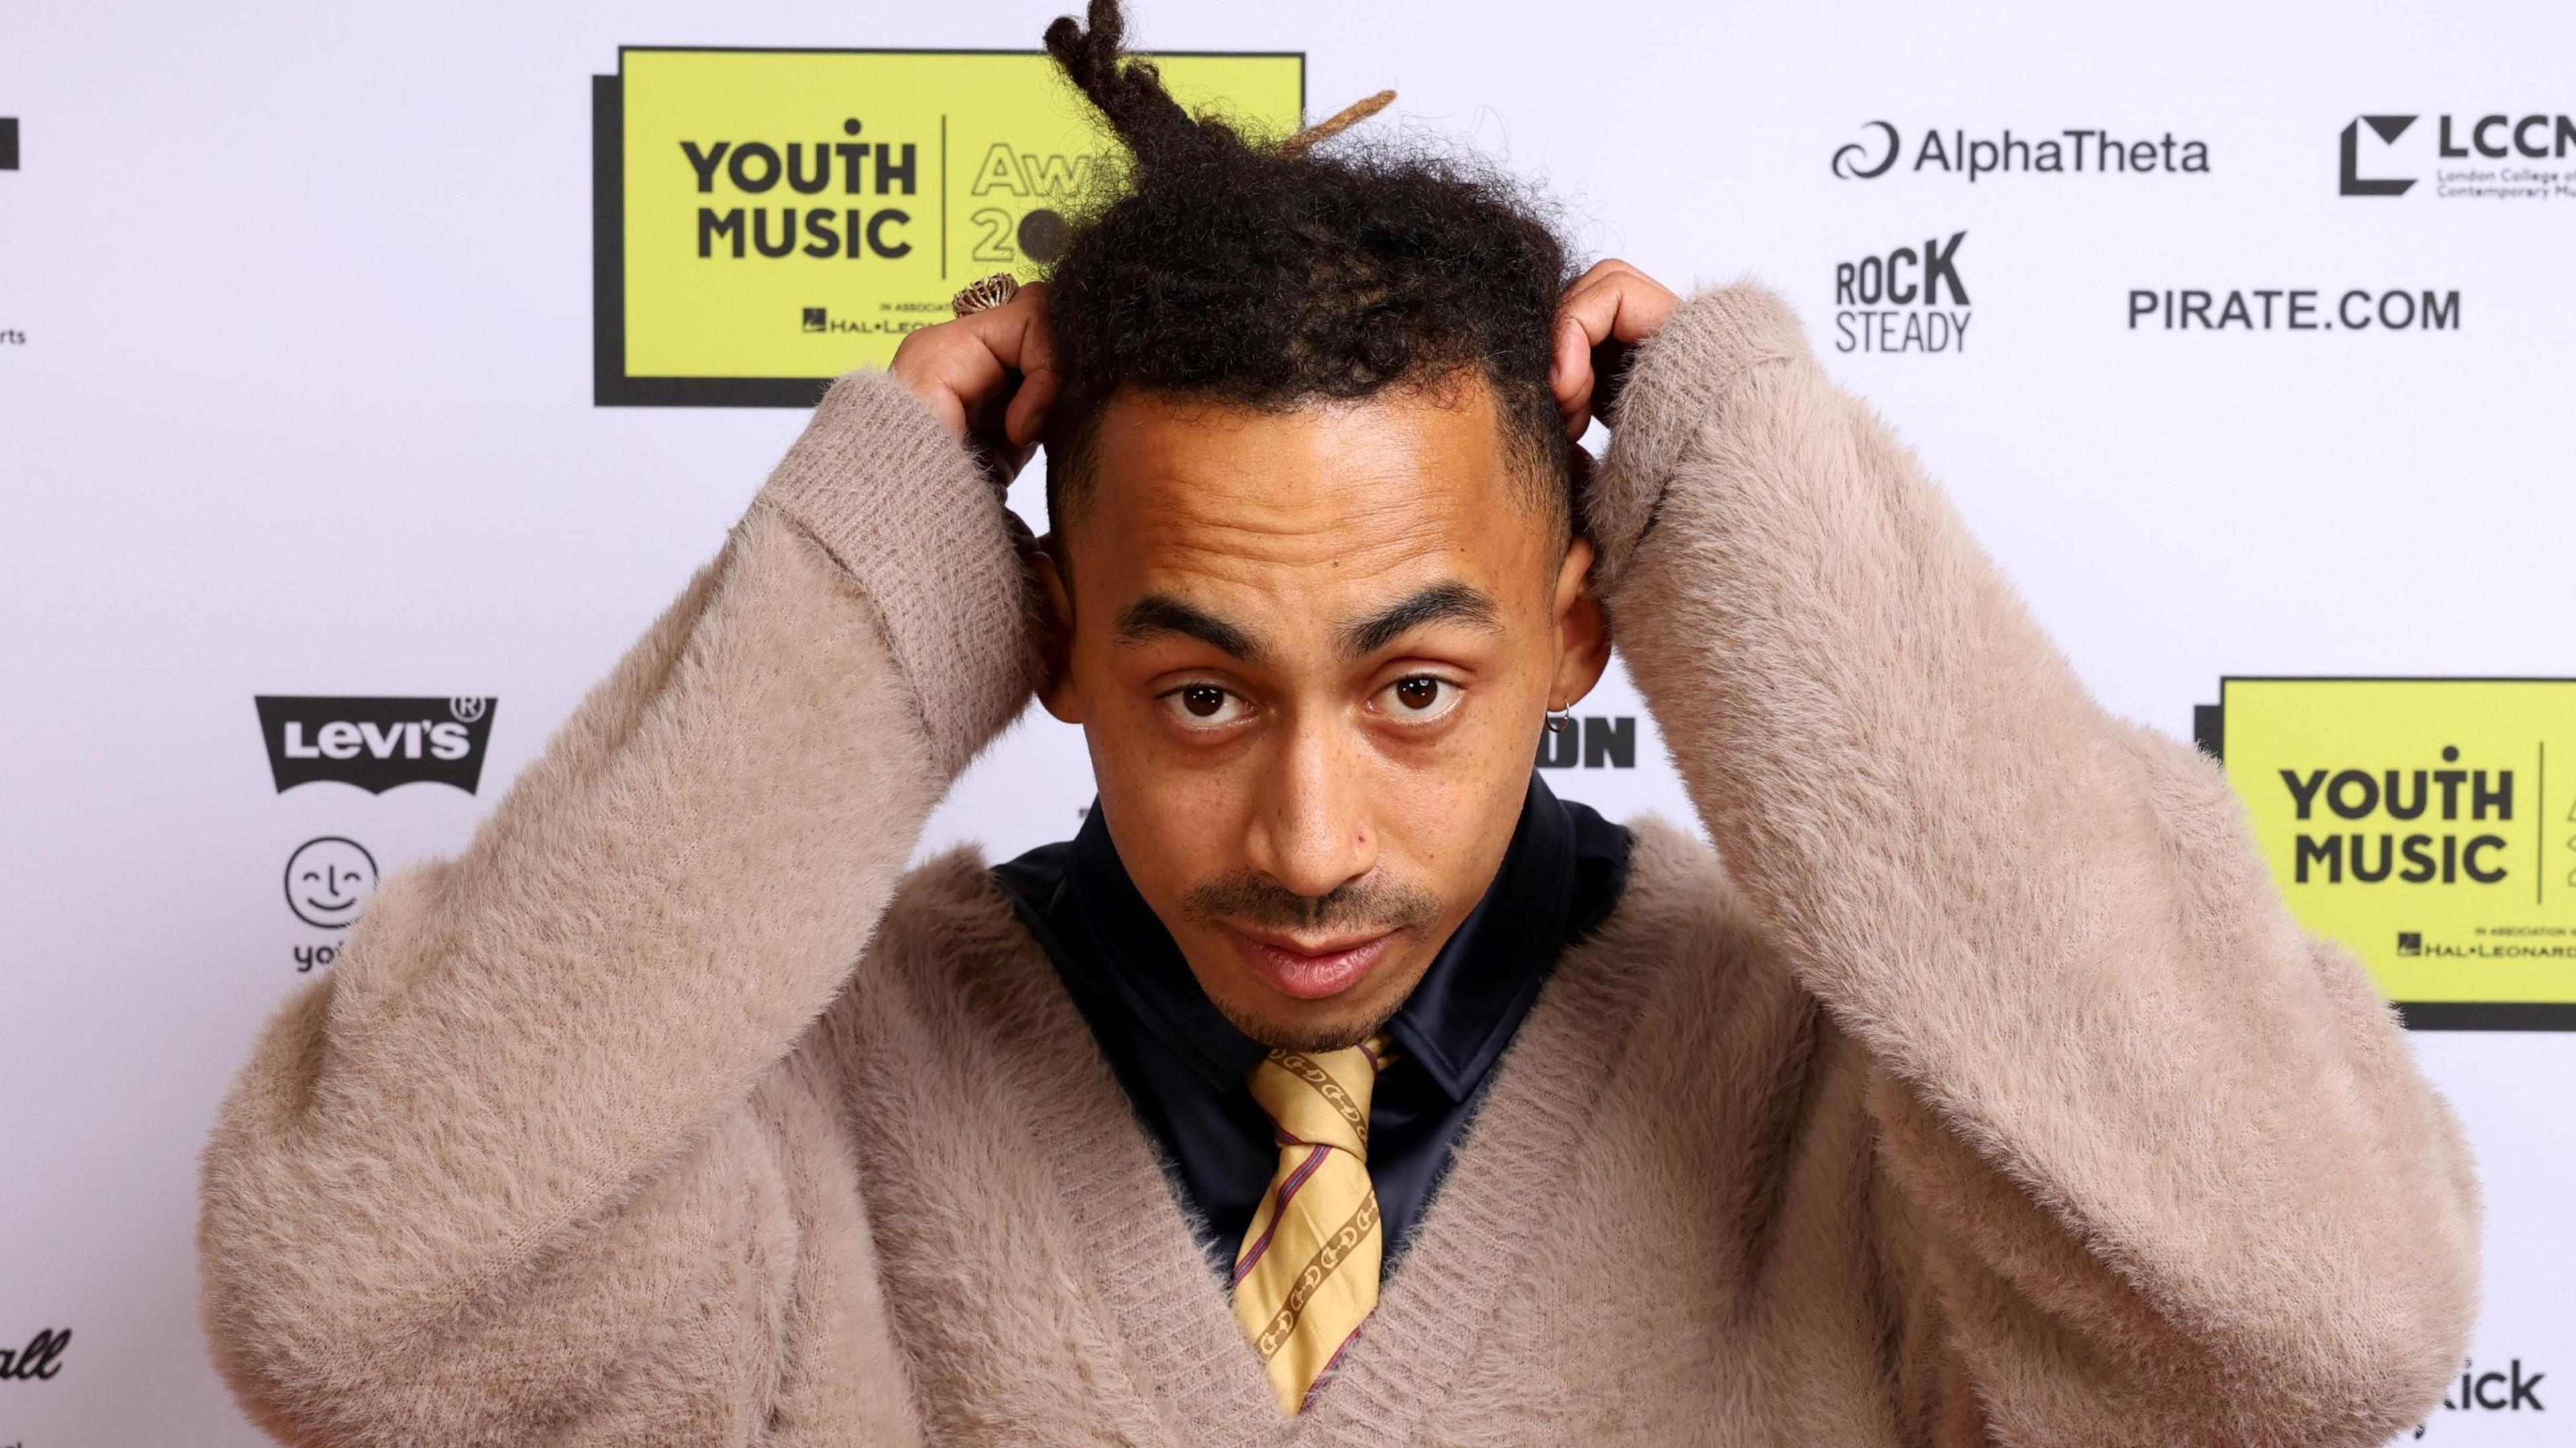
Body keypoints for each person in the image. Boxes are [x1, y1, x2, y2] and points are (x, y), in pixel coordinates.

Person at [195, 3, 2480, 1443]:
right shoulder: (811, 1098)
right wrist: (866, 581)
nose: (1304, 834)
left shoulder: (1847, 1113)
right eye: (1197, 689)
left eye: (1415, 687)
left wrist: (1765, 524)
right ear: (1049, 637)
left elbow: (2315, 1328)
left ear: (1589, 631)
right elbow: (347, 1301)